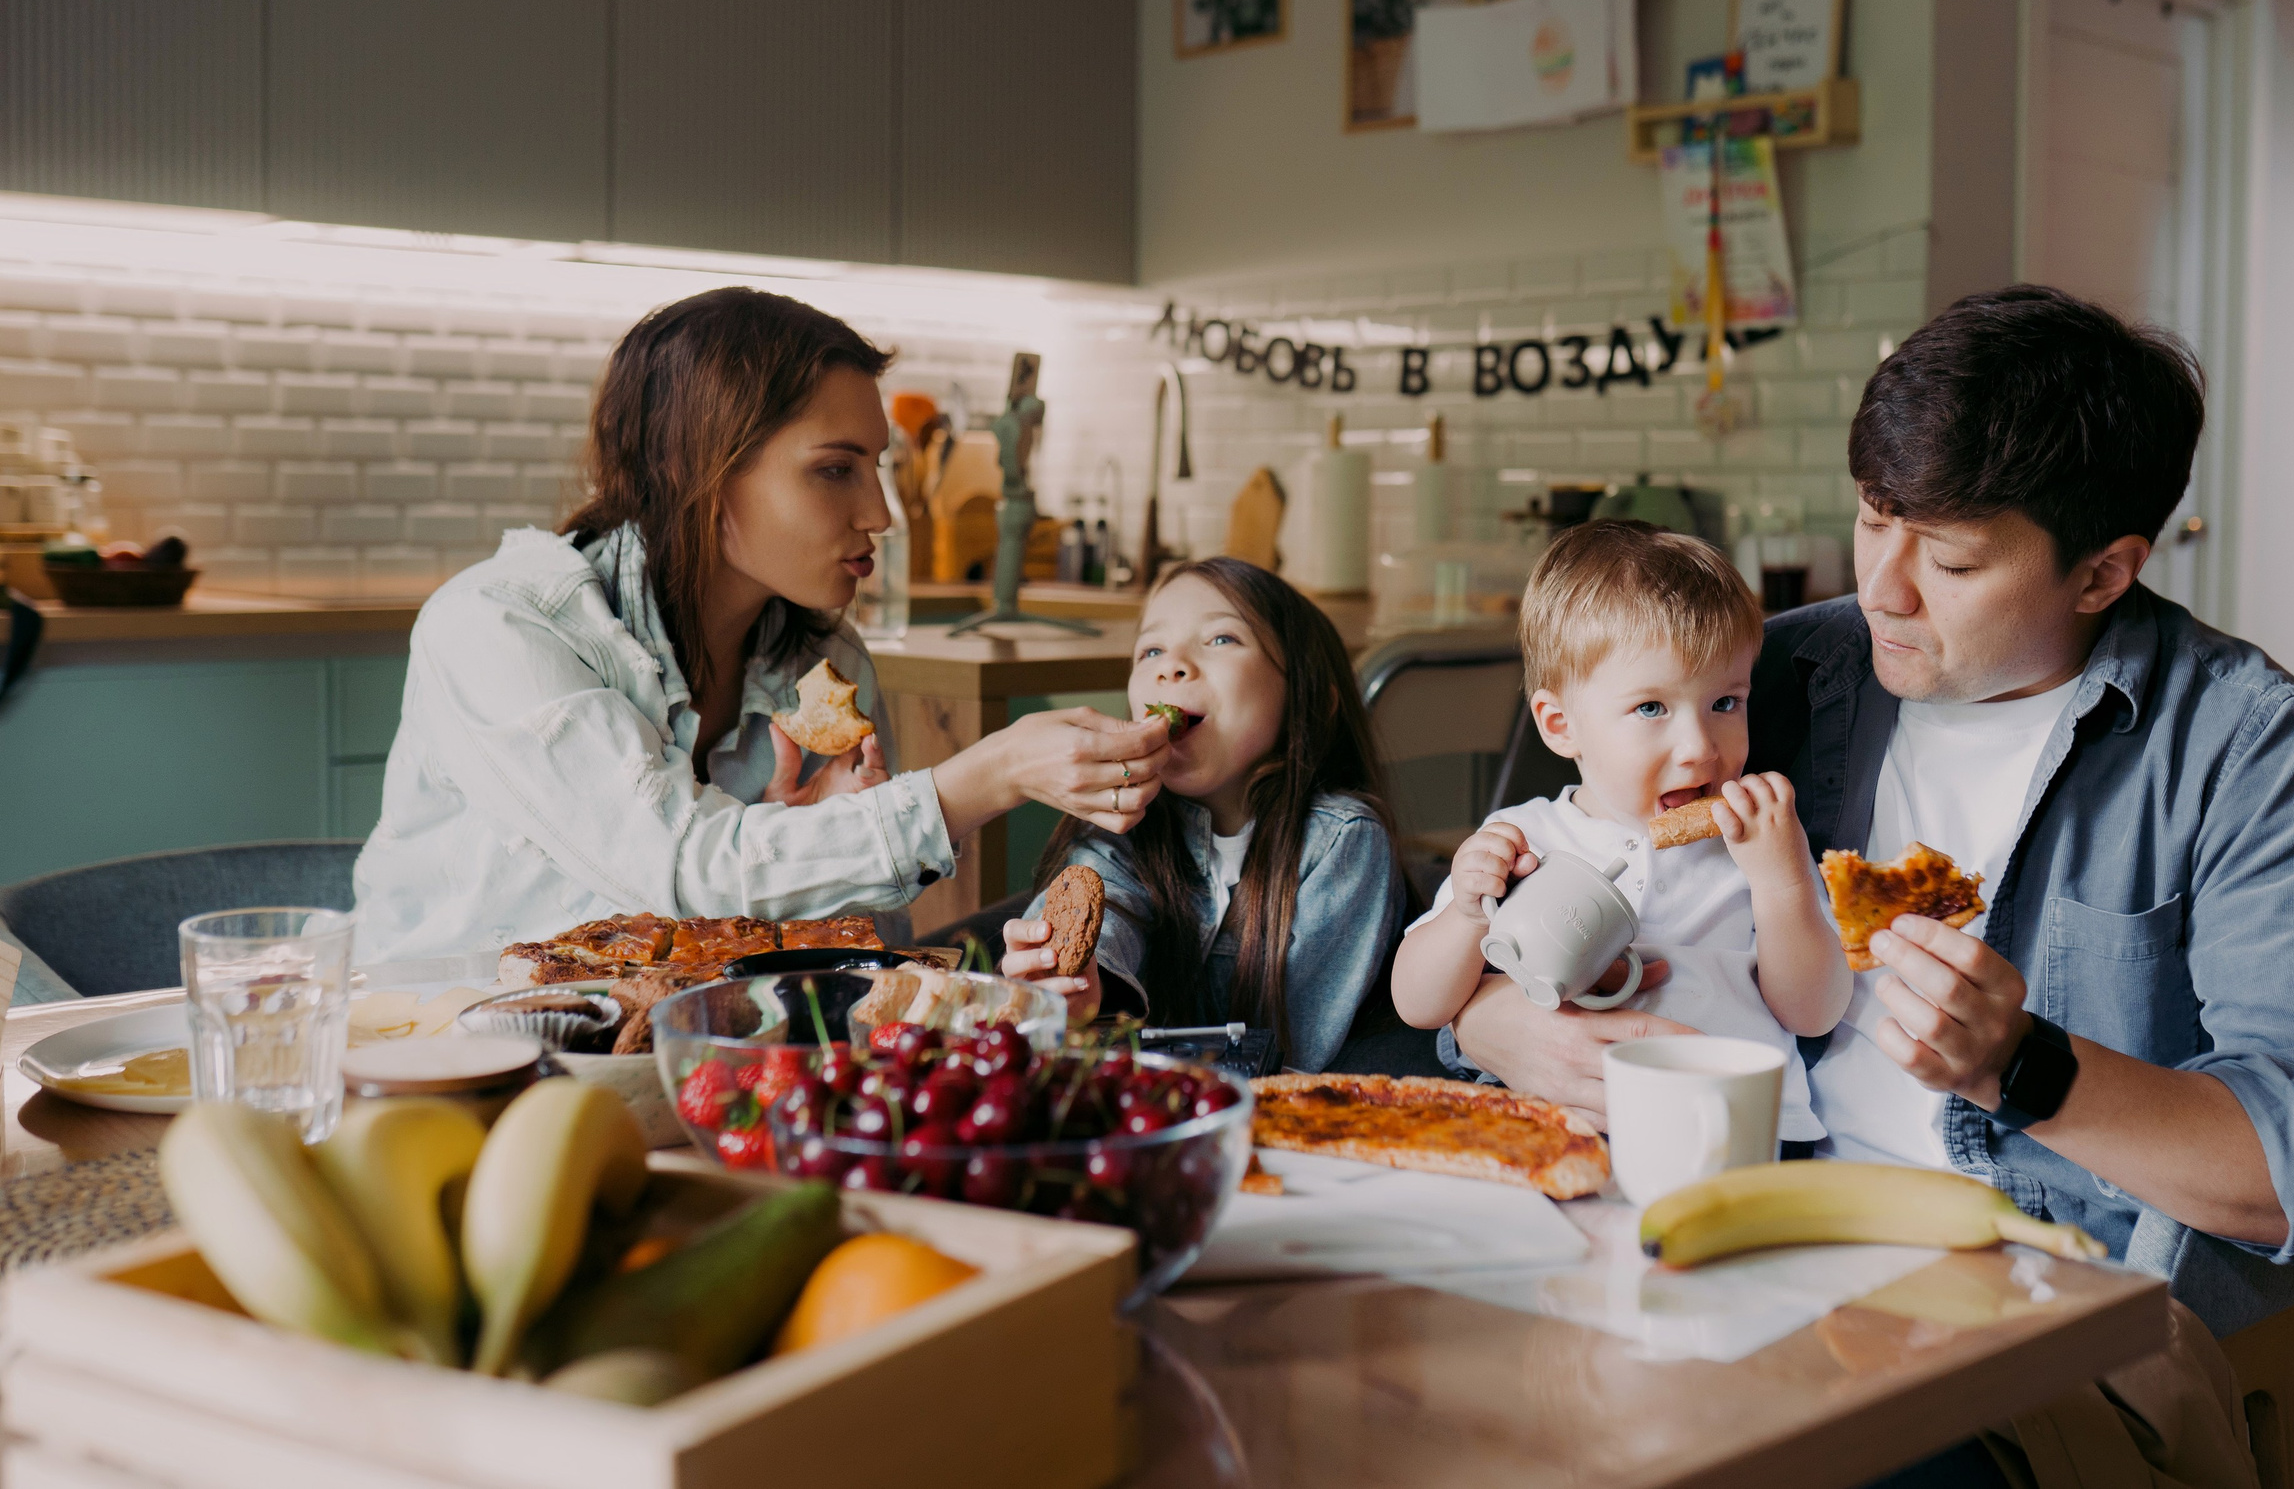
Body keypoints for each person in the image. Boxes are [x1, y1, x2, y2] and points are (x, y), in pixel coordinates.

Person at [1442, 286, 2294, 1358]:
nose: (1881, 591)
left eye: (1949, 562)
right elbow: (1527, 886)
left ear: (2102, 572)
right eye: (1869, 521)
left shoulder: (2245, 748)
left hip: (2041, 1294)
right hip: (1717, 1226)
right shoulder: (1758, 680)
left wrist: (2027, 1067)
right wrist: (1490, 1016)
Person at [352, 287, 1169, 959]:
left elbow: (852, 958)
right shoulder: (500, 629)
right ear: (691, 466)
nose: (880, 513)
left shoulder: (822, 660)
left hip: (677, 1066)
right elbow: (679, 866)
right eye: (835, 470)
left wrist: (812, 862)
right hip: (443, 1060)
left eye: (876, 467)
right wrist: (990, 773)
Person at [1392, 523, 1846, 1144]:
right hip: (1556, 1124)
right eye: (1651, 708)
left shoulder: (1760, 845)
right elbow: (1418, 1005)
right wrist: (1470, 917)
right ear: (1560, 726)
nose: (1697, 748)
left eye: (1725, 703)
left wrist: (1784, 882)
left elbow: (1814, 1013)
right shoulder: (1523, 839)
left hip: (1739, 1128)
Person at [998, 558, 1404, 1070]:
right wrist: (1067, 980)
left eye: (1221, 640)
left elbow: (1290, 1061)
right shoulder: (1122, 823)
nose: (1172, 666)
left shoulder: (1344, 841)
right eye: (1151, 649)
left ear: (1309, 699)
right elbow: (1100, 922)